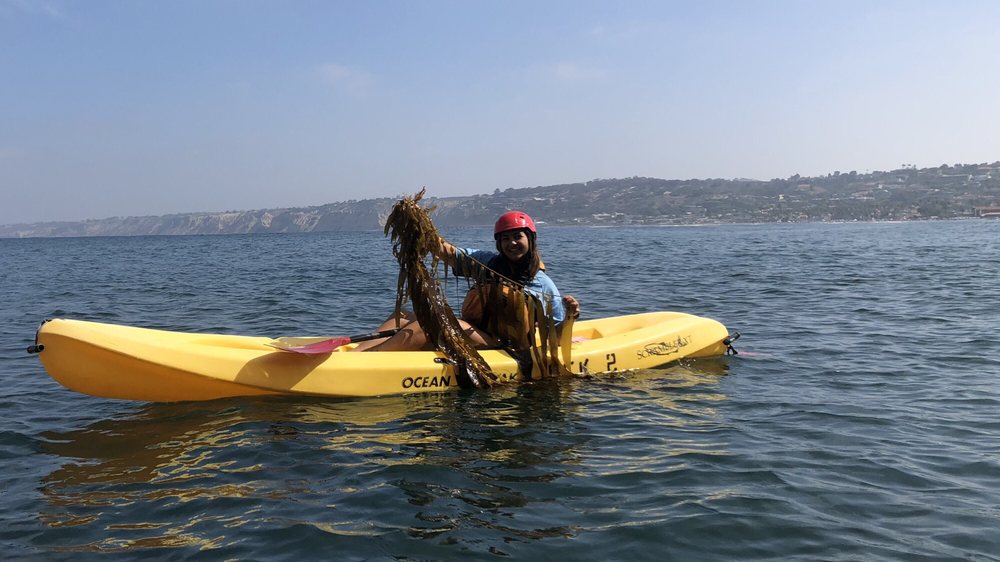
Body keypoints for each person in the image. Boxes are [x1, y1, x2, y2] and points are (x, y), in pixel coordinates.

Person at [352, 211, 580, 351]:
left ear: (530, 239)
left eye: (517, 237)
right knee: (401, 316)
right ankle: (356, 353)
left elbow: (557, 338)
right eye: (505, 239)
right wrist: (418, 226)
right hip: (475, 330)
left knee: (427, 324)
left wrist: (569, 317)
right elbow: (448, 253)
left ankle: (368, 360)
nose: (512, 243)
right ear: (498, 243)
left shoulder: (543, 284)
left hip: (501, 344)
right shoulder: (487, 262)